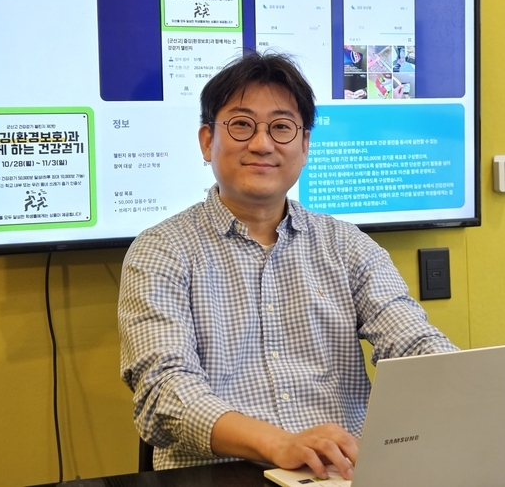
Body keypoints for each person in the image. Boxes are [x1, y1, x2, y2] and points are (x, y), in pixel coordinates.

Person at [118, 52, 457, 480]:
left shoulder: (347, 245)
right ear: (207, 141)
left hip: (342, 473)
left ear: (305, 145)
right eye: (242, 125)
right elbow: (165, 391)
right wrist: (280, 444)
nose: (262, 144)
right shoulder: (161, 250)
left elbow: (412, 342)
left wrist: (471, 385)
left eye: (281, 127)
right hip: (220, 475)